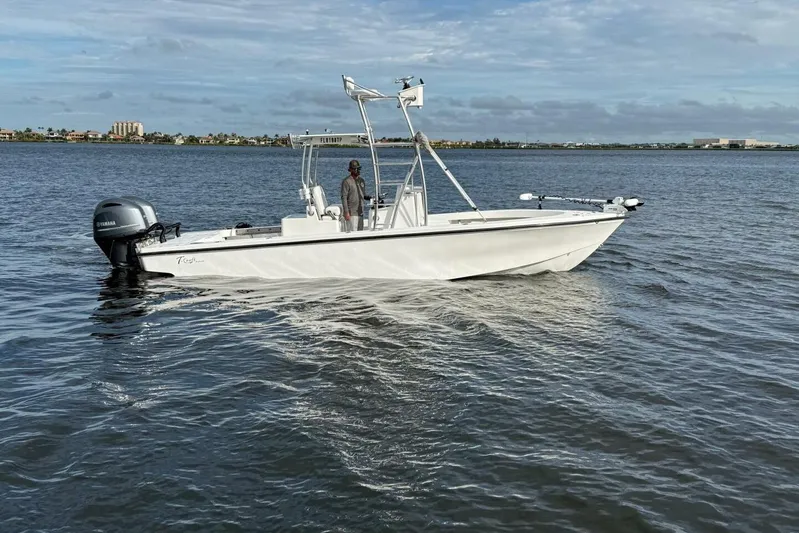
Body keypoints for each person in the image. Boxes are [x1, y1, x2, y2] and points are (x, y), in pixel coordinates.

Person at [340, 159, 370, 232]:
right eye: (355, 169)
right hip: (352, 213)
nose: (357, 170)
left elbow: (363, 195)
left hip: (361, 212)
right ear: (350, 170)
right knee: (353, 232)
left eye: (358, 168)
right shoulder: (346, 181)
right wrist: (346, 212)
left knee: (360, 233)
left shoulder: (361, 181)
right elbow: (344, 197)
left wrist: (370, 198)